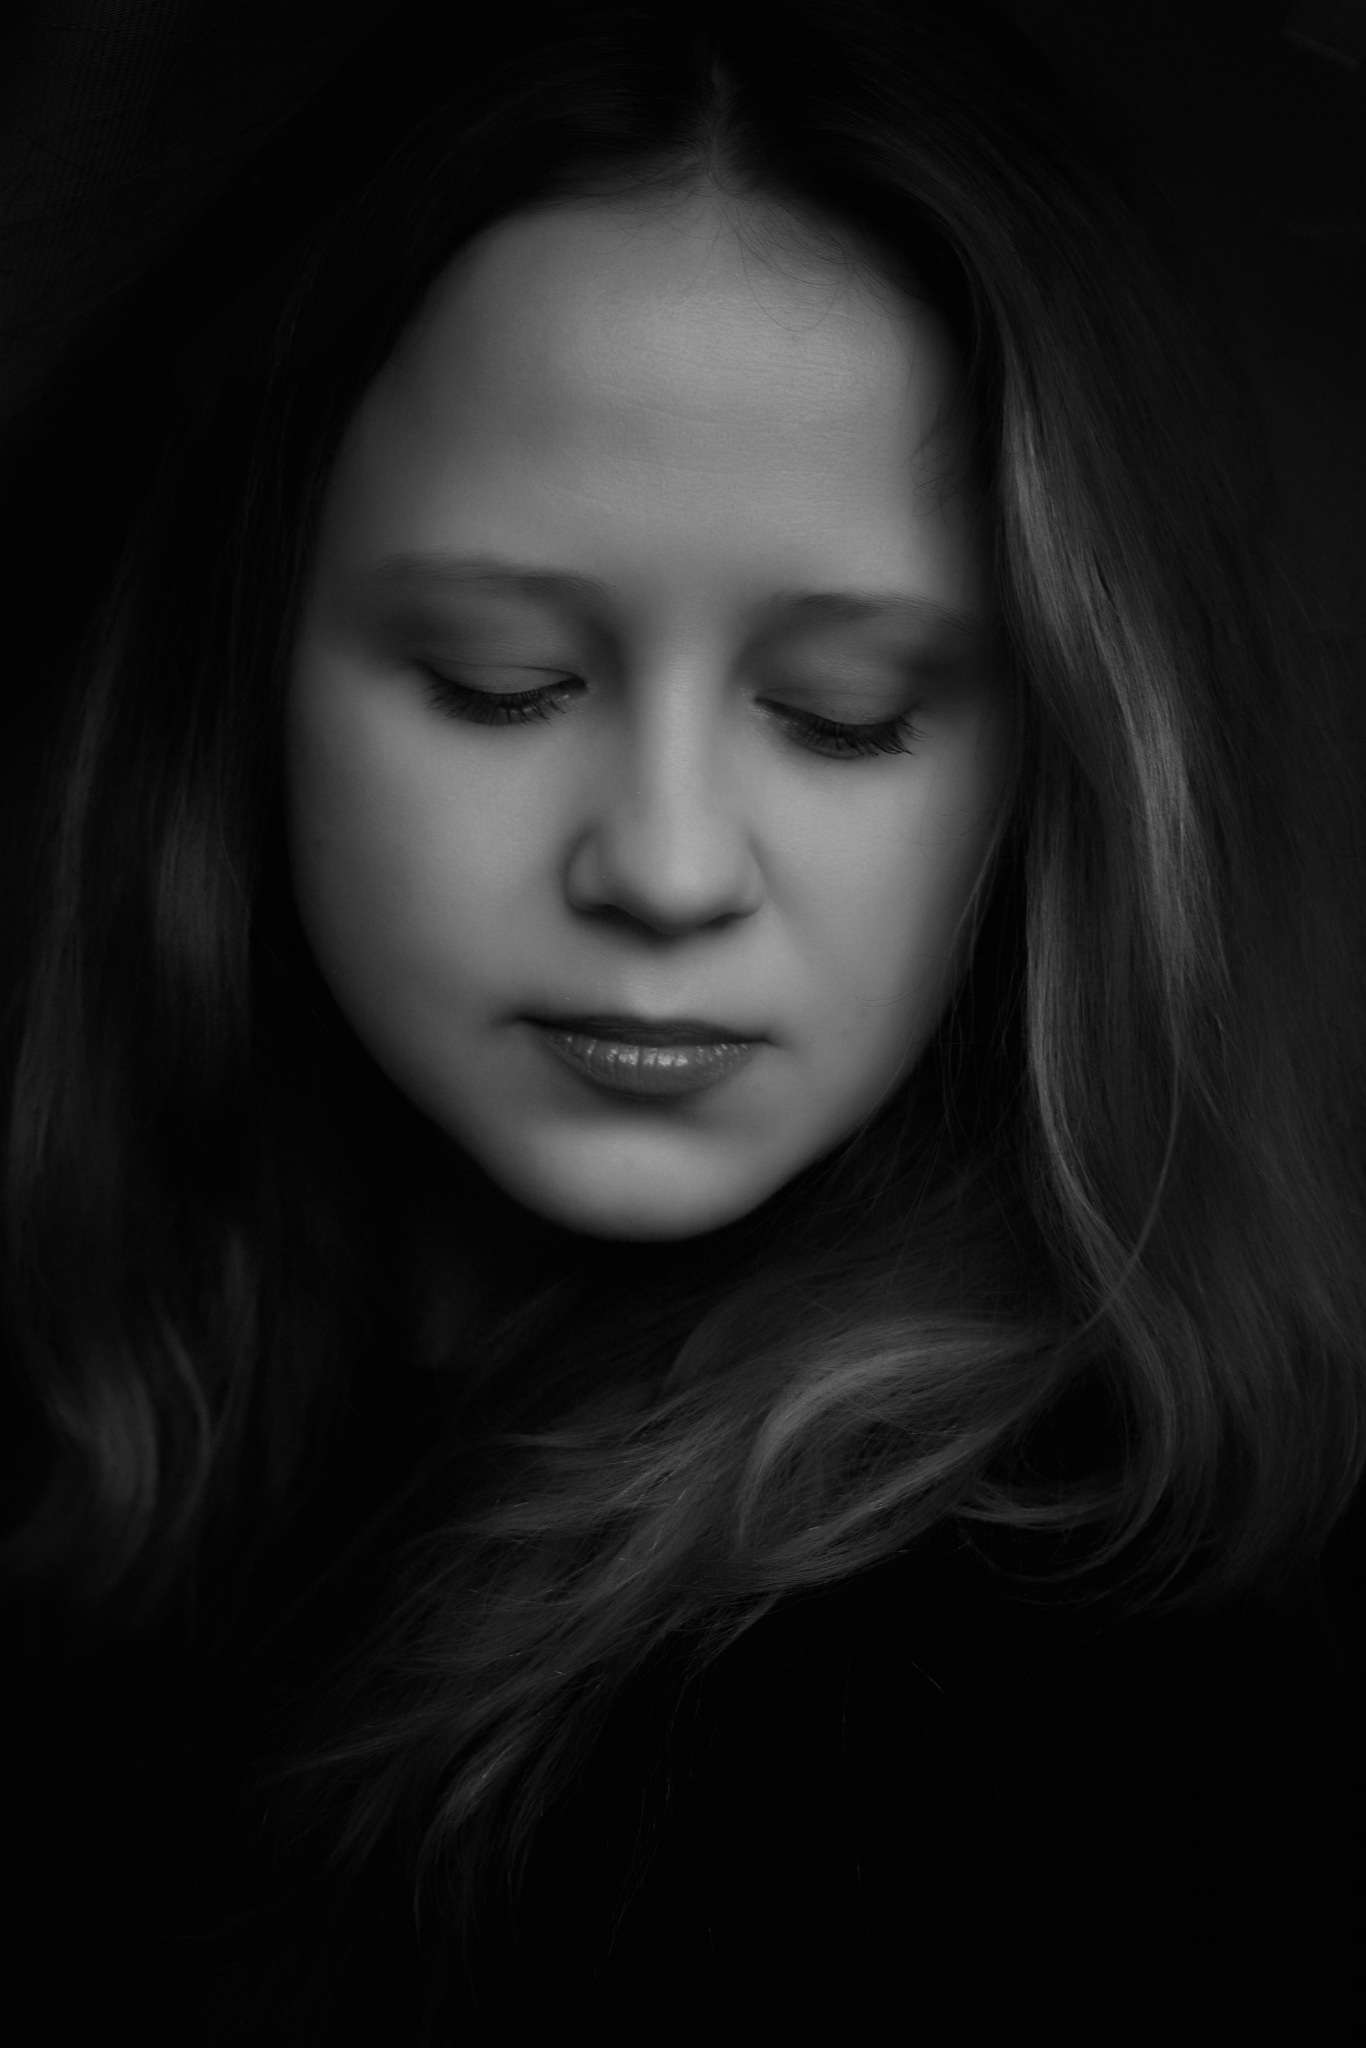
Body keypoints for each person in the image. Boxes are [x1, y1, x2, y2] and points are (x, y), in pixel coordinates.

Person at [1, 1, 1362, 2039]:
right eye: (496, 678)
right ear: (241, 666)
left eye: (840, 714)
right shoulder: (105, 1415)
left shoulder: (1087, 1706)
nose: (661, 864)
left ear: (1062, 764)